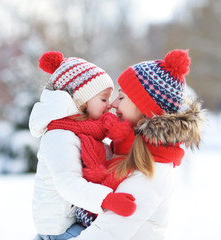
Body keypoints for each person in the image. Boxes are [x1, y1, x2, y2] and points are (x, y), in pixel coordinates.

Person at [69, 49, 206, 240]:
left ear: (145, 108)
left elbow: (107, 232)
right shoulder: (124, 149)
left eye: (122, 97)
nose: (113, 104)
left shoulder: (153, 169)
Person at [29, 51, 136, 240]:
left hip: (76, 221)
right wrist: (108, 199)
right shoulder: (59, 136)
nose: (109, 105)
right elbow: (68, 183)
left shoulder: (88, 133)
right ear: (80, 100)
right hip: (59, 228)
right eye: (103, 99)